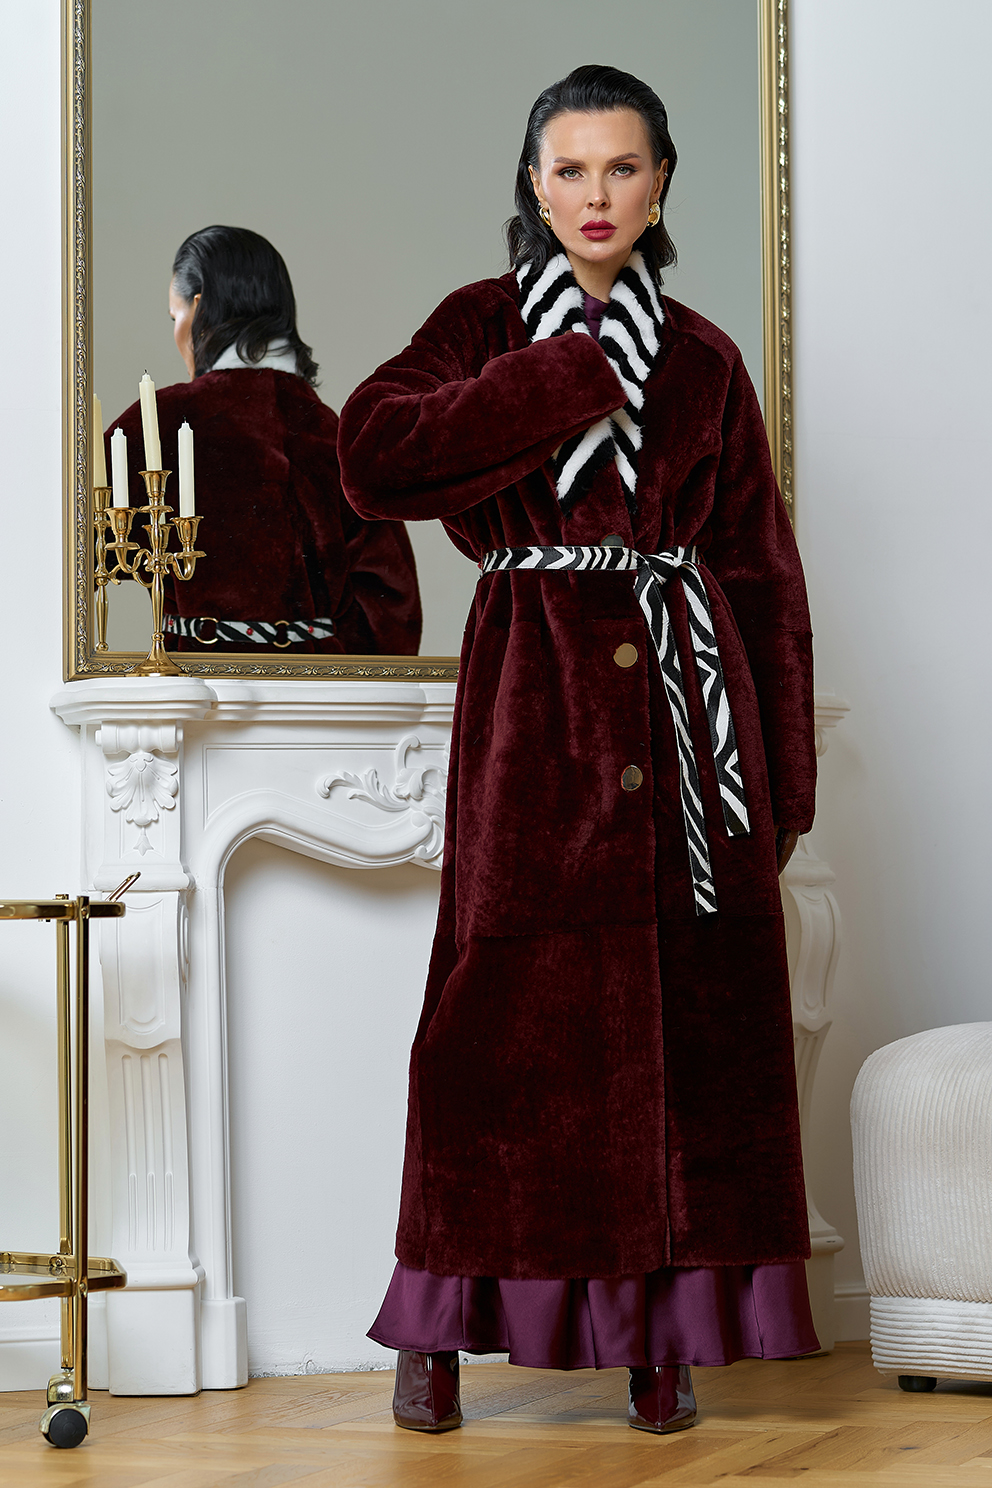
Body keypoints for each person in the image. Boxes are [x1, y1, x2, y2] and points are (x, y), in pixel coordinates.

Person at [337, 65, 818, 1436]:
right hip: (532, 720)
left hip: (685, 724)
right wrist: (559, 377)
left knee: (685, 1047)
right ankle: (435, 1329)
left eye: (621, 167)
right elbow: (374, 454)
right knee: (495, 1037)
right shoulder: (481, 326)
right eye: (568, 169)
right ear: (533, 186)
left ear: (659, 185)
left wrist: (777, 781)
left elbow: (761, 571)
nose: (595, 194)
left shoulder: (706, 359)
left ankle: (662, 1341)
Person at [106, 225, 422, 655]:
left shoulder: (158, 421)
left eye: (174, 317)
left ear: (198, 308)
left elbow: (80, 548)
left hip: (193, 686)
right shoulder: (336, 432)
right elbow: (393, 603)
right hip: (320, 689)